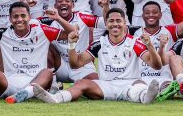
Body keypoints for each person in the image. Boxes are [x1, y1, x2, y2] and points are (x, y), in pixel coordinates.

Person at [32, 7, 162, 104]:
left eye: (118, 21)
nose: (115, 24)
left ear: (124, 23)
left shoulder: (134, 42)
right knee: (81, 83)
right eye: (111, 21)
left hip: (129, 82)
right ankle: (56, 98)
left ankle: (145, 97)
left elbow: (156, 65)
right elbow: (75, 64)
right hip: (106, 85)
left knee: (140, 84)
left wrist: (150, 46)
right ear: (106, 24)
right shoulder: (99, 43)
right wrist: (71, 45)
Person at [0, 3, 76, 104]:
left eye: (23, 16)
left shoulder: (43, 30)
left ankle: (25, 93)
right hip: (9, 83)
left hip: (37, 83)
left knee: (47, 72)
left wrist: (58, 18)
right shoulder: (2, 33)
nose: (19, 19)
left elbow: (72, 33)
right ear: (10, 19)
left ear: (29, 17)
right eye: (15, 16)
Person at [43, 0, 101, 84]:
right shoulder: (48, 20)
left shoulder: (82, 17)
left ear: (73, 5)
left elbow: (107, 23)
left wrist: (106, 6)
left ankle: (78, 85)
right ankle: (53, 84)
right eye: (60, 1)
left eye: (67, 1)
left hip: (81, 65)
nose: (63, 3)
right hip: (60, 65)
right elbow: (26, 24)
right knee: (45, 44)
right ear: (55, 6)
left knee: (97, 85)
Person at [129, 1, 183, 85]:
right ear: (142, 15)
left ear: (160, 15)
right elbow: (115, 25)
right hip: (141, 78)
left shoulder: (170, 30)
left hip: (164, 78)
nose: (151, 15)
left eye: (155, 12)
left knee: (165, 88)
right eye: (147, 13)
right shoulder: (134, 32)